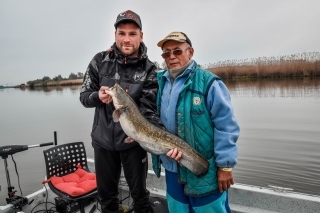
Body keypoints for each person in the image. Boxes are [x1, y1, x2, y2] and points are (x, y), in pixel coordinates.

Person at [80, 10, 163, 213]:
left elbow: (149, 108)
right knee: (107, 198)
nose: (127, 39)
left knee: (140, 197)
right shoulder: (99, 61)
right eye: (122, 33)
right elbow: (84, 97)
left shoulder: (149, 69)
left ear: (141, 36)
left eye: (132, 33)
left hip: (134, 144)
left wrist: (149, 132)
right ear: (115, 34)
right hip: (103, 143)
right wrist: (96, 97)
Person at [151, 31, 240, 213]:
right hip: (172, 168)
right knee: (178, 210)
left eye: (177, 51)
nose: (172, 57)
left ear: (190, 52)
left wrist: (225, 166)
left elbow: (226, 127)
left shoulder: (209, 83)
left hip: (203, 172)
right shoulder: (158, 82)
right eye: (166, 53)